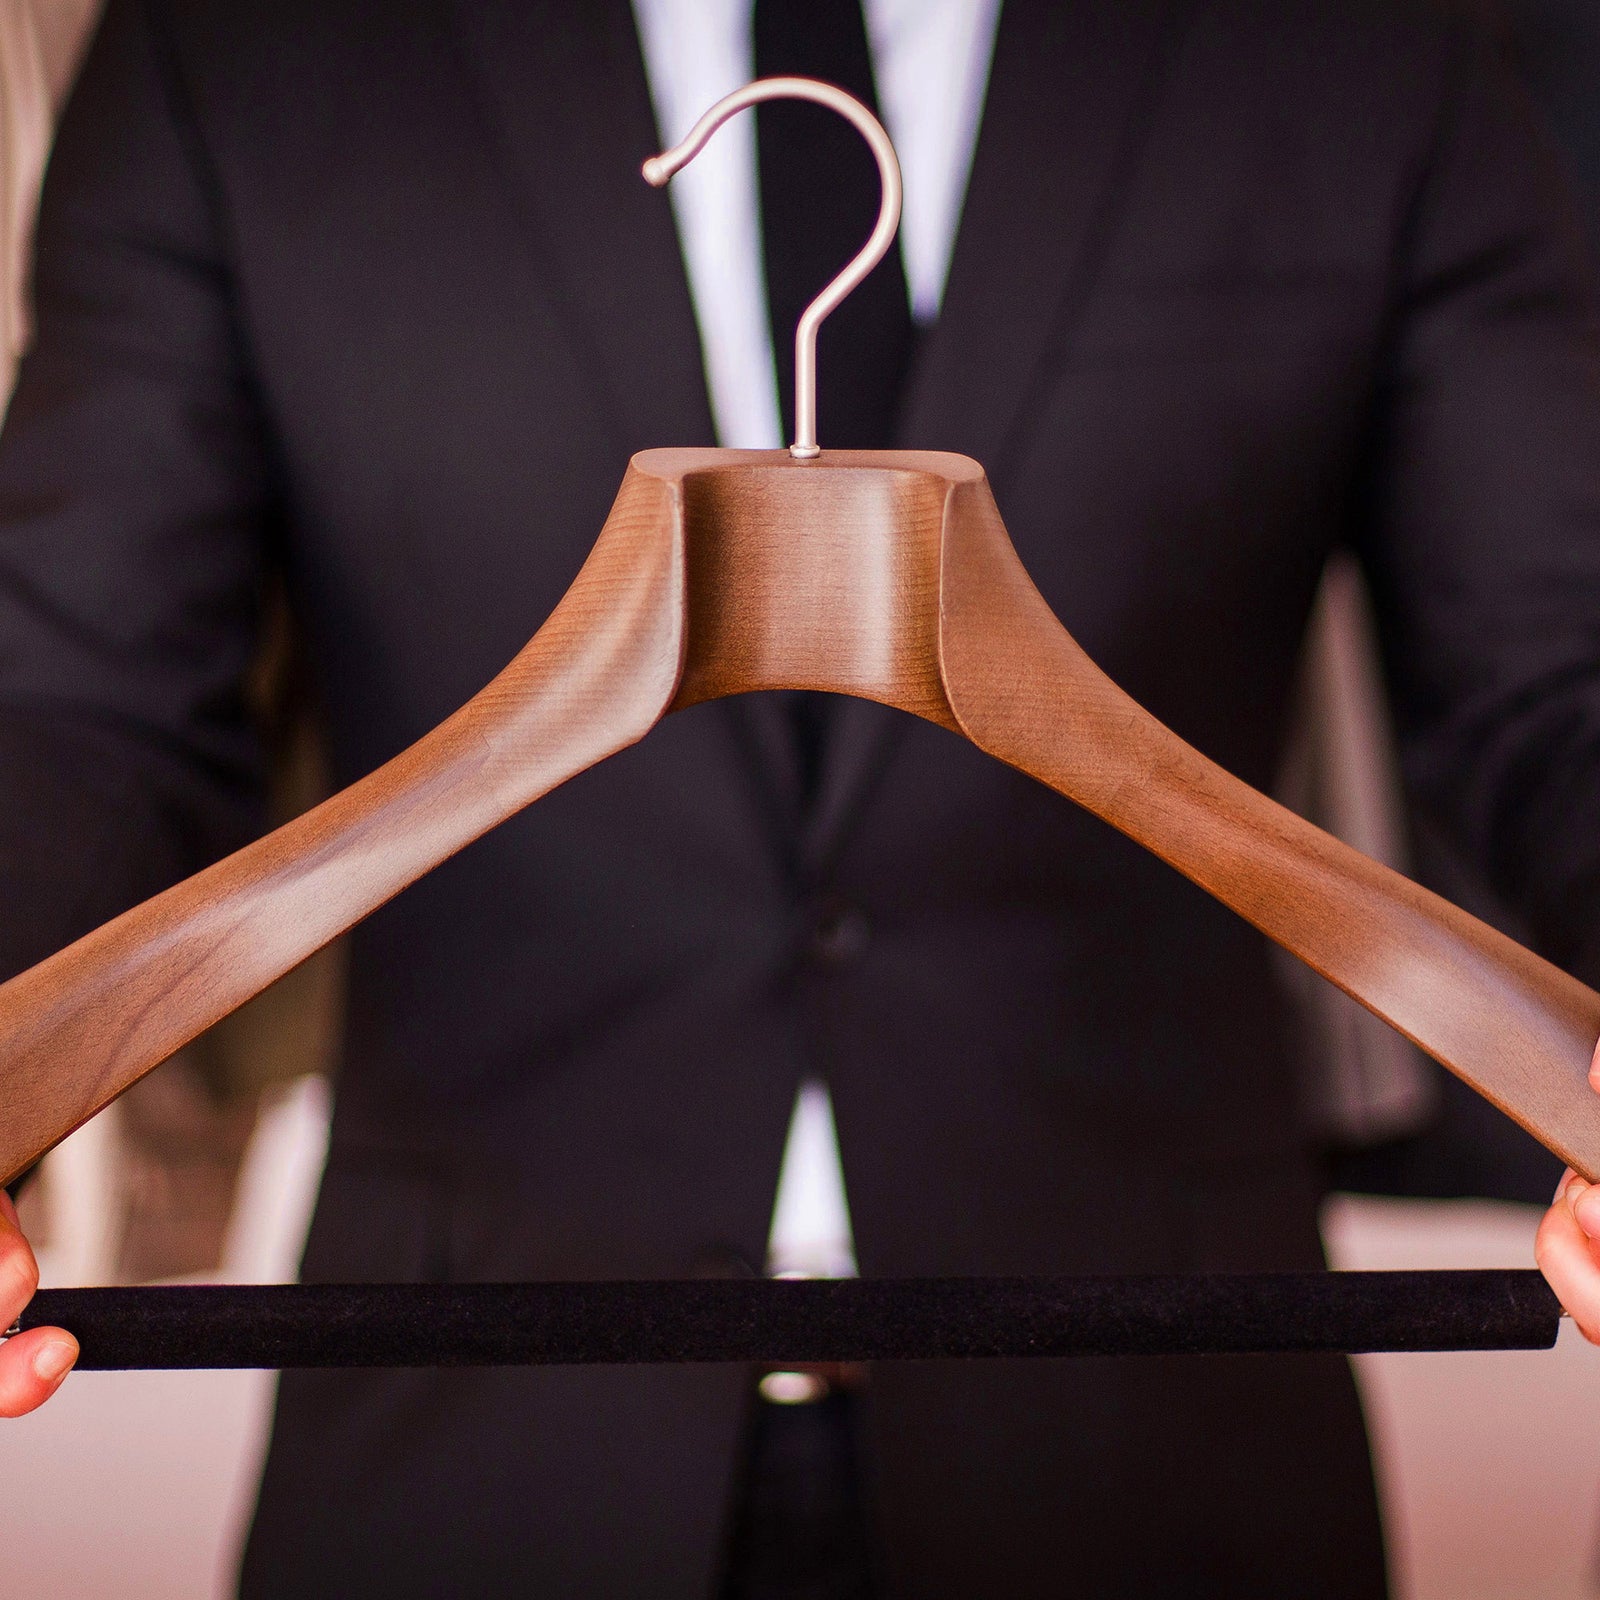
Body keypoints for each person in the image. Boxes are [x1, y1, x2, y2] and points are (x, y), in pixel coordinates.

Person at [6, 0, 1600, 1594]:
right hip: (471, 1467)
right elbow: (76, 702)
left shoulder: (1362, 42)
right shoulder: (239, 43)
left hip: (1160, 1452)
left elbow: (1560, 679)